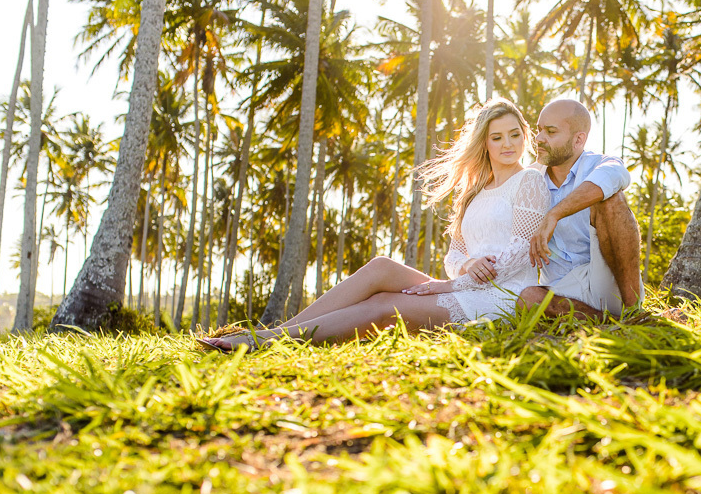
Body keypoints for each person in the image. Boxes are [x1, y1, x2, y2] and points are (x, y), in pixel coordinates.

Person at [196, 98, 549, 352]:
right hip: (464, 283)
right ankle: (278, 333)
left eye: (515, 134)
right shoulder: (474, 192)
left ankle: (266, 341)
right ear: (484, 143)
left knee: (383, 306)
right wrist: (465, 266)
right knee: (382, 267)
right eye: (497, 136)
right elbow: (455, 254)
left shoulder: (529, 181)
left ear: (524, 137)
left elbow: (520, 252)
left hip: (500, 297)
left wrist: (454, 284)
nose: (508, 144)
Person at [516, 99, 643, 319]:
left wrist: (554, 214)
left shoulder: (600, 164)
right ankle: (608, 324)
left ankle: (635, 313)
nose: (539, 139)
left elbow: (615, 175)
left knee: (610, 198)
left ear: (578, 139)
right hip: (561, 291)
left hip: (609, 283)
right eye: (539, 130)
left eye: (551, 131)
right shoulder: (529, 179)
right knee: (528, 298)